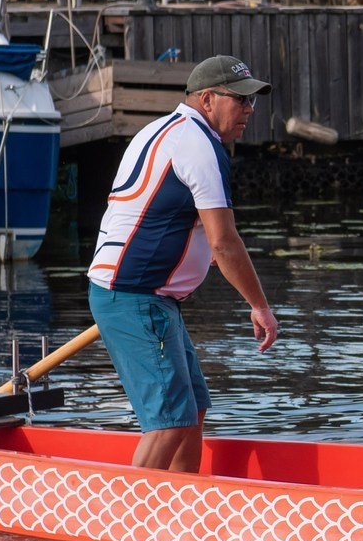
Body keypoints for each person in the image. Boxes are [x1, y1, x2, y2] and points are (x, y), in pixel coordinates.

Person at [86, 55, 279, 473]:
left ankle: (181, 511)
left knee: (191, 413)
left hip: (144, 297)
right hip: (135, 296)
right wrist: (260, 307)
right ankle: (129, 522)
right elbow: (224, 243)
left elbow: (163, 215)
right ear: (207, 100)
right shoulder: (199, 146)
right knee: (169, 423)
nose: (248, 111)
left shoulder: (163, 130)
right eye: (240, 100)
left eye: (253, 103)